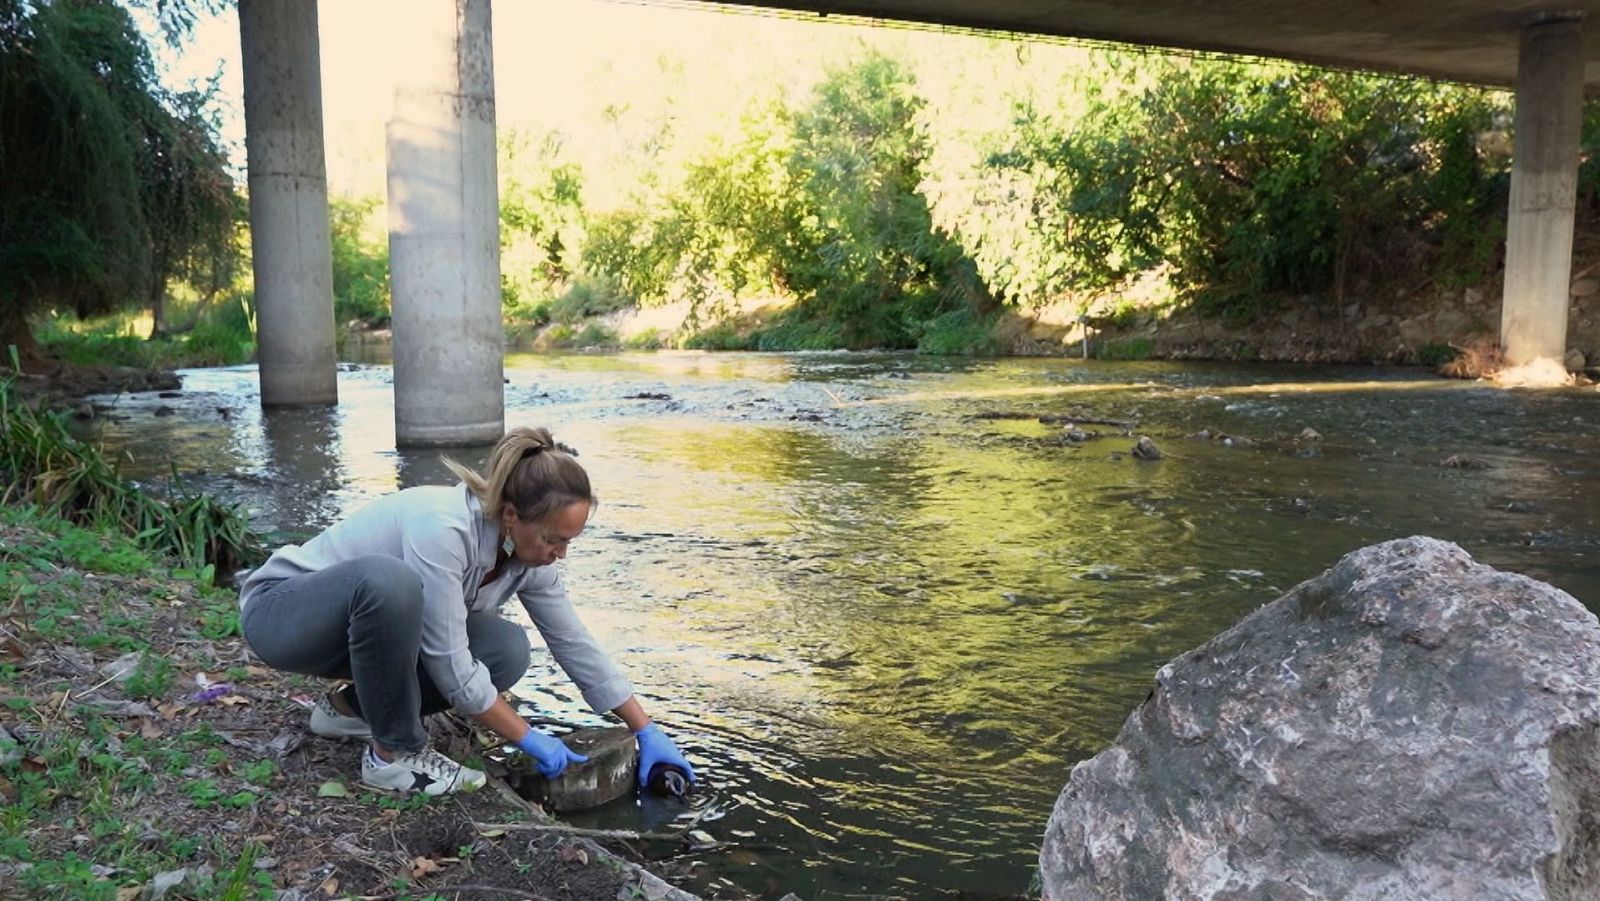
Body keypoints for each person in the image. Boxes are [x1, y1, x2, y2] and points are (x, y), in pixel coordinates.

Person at [237, 426, 695, 796]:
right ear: (512, 515)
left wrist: (646, 729)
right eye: (554, 539)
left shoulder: (527, 557)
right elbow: (449, 661)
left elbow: (572, 641)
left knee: (505, 649)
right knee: (389, 583)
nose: (561, 554)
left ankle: (345, 711)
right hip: (281, 614)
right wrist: (525, 734)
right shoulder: (443, 528)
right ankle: (393, 758)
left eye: (569, 542)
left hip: (356, 636)